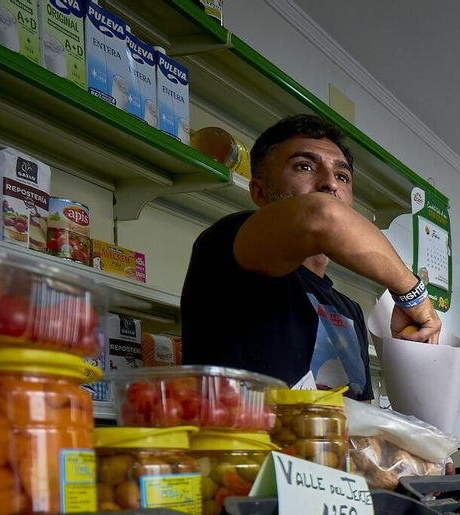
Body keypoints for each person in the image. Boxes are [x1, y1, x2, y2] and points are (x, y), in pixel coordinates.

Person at [181, 114, 440, 401]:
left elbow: (361, 415)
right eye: (304, 166)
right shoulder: (227, 245)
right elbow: (322, 215)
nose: (330, 183)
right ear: (260, 192)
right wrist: (413, 295)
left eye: (342, 176)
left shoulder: (349, 310)